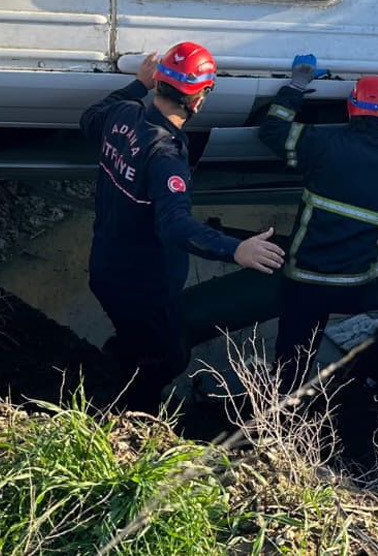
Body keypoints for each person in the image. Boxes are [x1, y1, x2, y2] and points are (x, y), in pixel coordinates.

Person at [80, 41, 285, 413]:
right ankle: (135, 412)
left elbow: (89, 118)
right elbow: (175, 225)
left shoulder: (122, 114)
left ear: (158, 82)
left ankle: (117, 360)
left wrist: (136, 85)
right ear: (199, 99)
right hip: (145, 288)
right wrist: (235, 249)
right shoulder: (165, 156)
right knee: (167, 359)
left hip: (106, 268)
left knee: (134, 337)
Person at [258, 54, 378, 390]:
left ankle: (279, 423)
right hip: (359, 287)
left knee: (290, 371)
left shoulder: (322, 145)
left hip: (304, 285)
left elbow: (271, 130)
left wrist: (297, 85)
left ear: (350, 108)